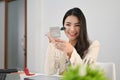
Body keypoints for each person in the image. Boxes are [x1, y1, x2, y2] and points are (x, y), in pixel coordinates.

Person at [45, 7, 100, 75]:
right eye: (68, 24)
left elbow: (85, 74)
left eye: (77, 25)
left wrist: (71, 52)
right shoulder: (62, 45)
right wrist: (52, 45)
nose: (72, 29)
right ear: (63, 27)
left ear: (82, 27)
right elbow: (49, 73)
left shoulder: (93, 45)